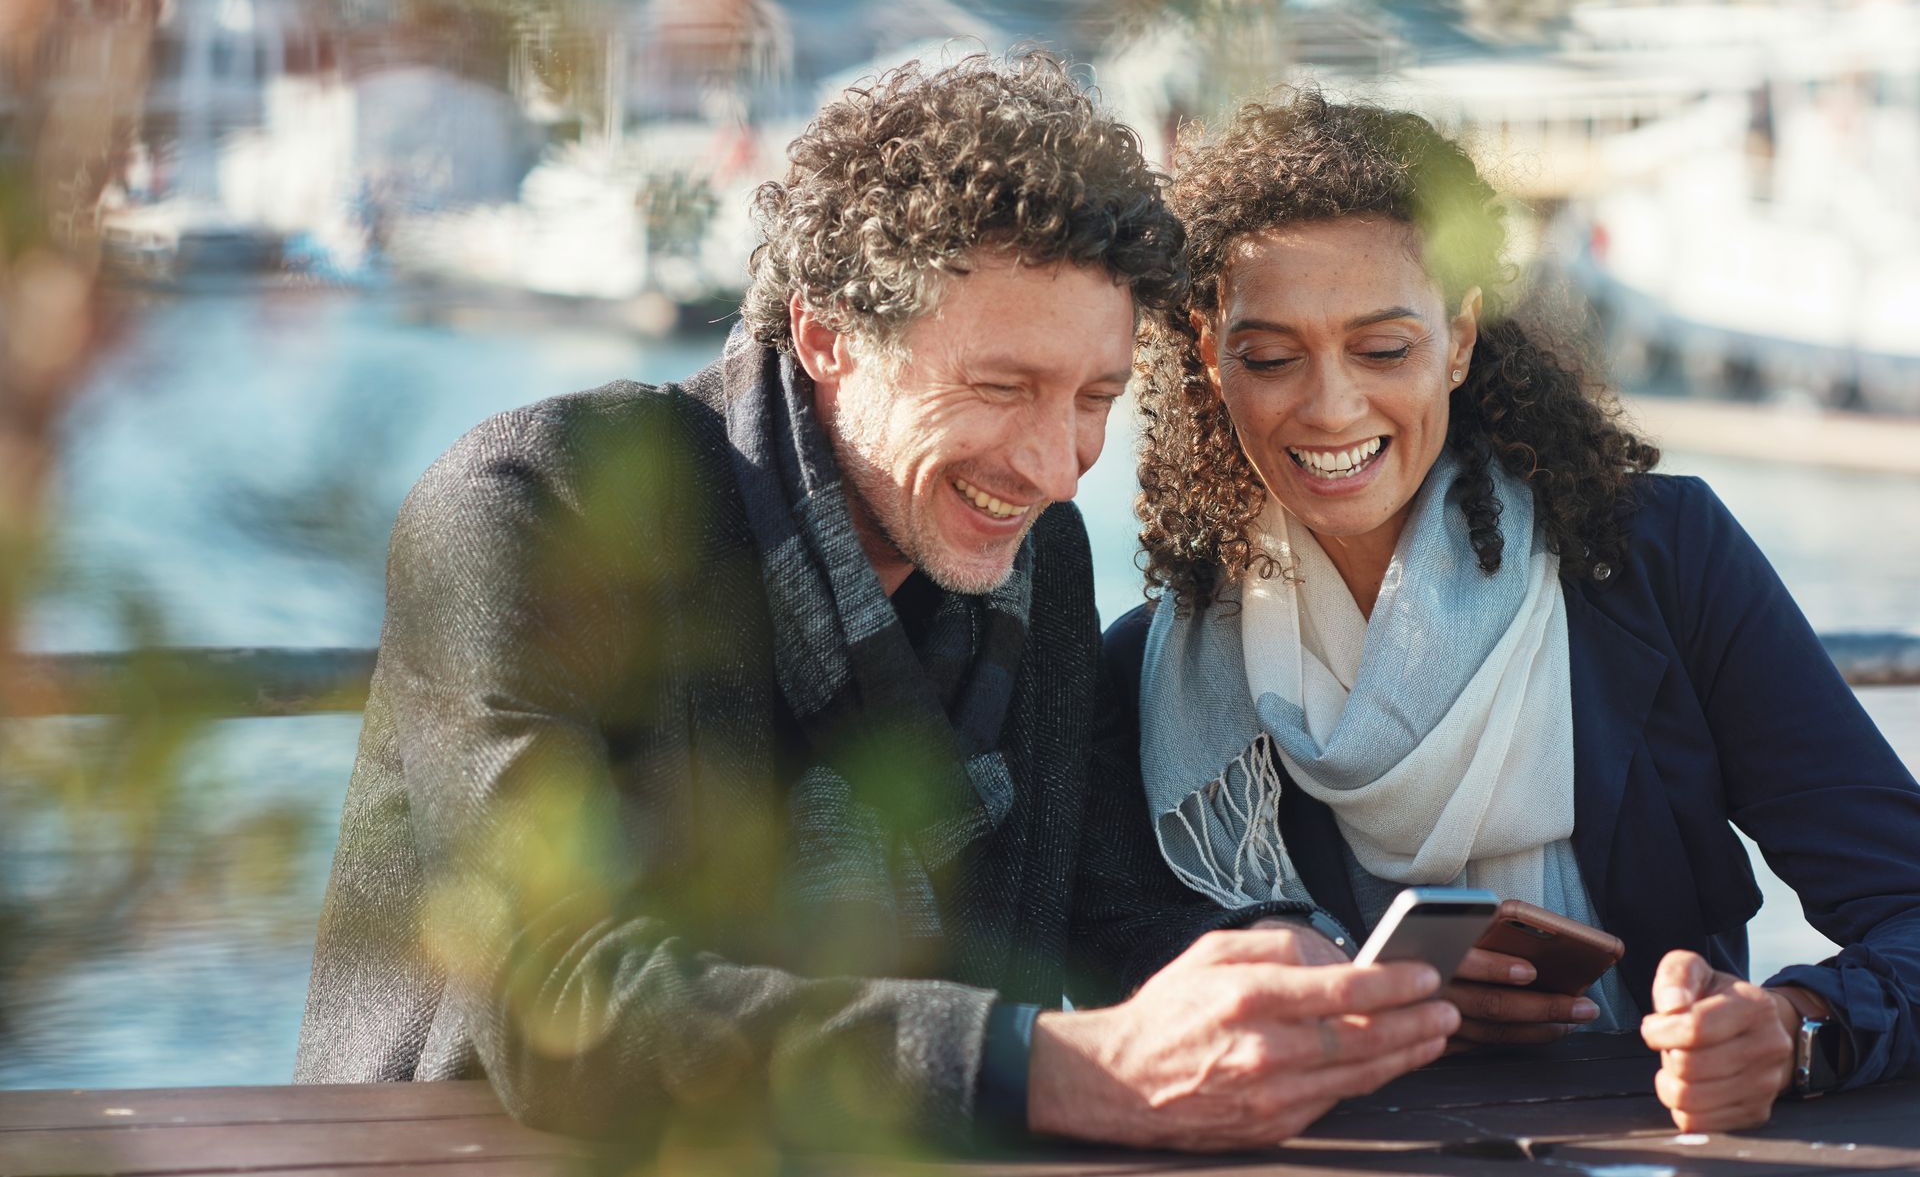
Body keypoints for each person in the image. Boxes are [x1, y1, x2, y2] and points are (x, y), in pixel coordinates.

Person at [294, 57, 1458, 1156]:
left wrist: (1299, 983)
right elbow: (560, 992)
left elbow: (1094, 913)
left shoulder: (1036, 551)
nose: (1056, 467)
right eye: (1002, 388)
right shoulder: (530, 509)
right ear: (824, 335)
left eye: (1098, 398)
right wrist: (1055, 1069)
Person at [1107, 87, 1920, 1135]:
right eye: (1270, 356)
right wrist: (1369, 1000)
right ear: (1210, 358)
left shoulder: (1657, 561)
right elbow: (1123, 984)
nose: (1330, 406)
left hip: (1657, 1148)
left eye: (1384, 349)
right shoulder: (1149, 673)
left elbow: (1908, 905)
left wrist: (1797, 1028)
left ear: (1458, 339)